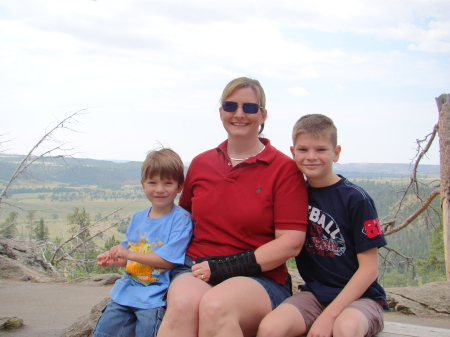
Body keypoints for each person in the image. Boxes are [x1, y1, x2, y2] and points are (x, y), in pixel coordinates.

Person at [157, 77, 309, 337]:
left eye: (249, 108)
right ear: (221, 112)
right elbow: (182, 221)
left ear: (262, 115)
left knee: (216, 306)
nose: (239, 114)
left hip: (259, 278)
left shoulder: (283, 169)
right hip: (196, 266)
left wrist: (226, 267)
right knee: (183, 305)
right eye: (231, 106)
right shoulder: (201, 164)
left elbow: (291, 243)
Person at [257, 114, 388, 337]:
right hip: (315, 294)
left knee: (344, 329)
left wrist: (329, 316)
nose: (311, 157)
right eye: (303, 150)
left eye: (320, 150)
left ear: (336, 153)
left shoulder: (355, 199)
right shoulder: (293, 195)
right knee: (271, 328)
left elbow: (369, 268)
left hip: (360, 298)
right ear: (292, 152)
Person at [92, 148, 193, 337]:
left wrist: (128, 254)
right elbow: (131, 259)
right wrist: (114, 258)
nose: (160, 189)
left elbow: (168, 260)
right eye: (152, 182)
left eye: (168, 183)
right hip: (125, 293)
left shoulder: (181, 219)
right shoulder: (138, 219)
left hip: (155, 298)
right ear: (143, 184)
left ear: (180, 186)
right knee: (104, 332)